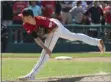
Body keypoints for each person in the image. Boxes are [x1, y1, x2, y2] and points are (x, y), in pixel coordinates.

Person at [17, 9, 105, 80]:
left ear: (29, 17)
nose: (21, 18)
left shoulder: (42, 20)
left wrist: (47, 46)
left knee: (45, 54)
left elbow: (54, 28)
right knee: (72, 37)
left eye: (23, 16)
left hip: (55, 28)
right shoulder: (26, 24)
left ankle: (32, 75)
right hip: (52, 28)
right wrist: (45, 47)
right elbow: (36, 38)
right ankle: (97, 42)